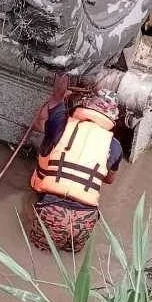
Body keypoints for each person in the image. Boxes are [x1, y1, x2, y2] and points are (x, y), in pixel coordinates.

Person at [24, 79, 124, 252]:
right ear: (113, 117)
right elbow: (109, 179)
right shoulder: (115, 146)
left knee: (35, 255)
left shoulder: (61, 123)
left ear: (86, 104)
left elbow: (43, 117)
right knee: (67, 265)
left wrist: (62, 92)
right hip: (85, 219)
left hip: (51, 210)